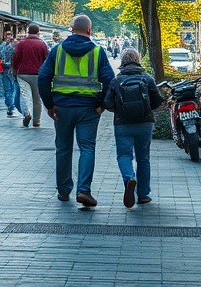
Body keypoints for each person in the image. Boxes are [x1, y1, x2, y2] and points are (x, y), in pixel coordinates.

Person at [38, 14, 115, 207]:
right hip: (88, 109)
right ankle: (84, 190)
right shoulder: (98, 52)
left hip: (62, 107)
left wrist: (49, 104)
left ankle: (64, 191)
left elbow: (43, 77)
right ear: (89, 30)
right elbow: (110, 80)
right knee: (87, 147)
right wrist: (102, 103)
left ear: (71, 29)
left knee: (63, 148)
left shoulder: (58, 50)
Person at [103, 48, 163, 207]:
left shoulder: (117, 80)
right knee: (143, 158)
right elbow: (157, 102)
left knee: (124, 155)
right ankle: (143, 195)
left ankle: (129, 178)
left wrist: (119, 108)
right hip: (145, 124)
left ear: (122, 61)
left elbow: (107, 103)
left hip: (123, 124)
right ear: (138, 60)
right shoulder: (147, 78)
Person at [13, 23, 50, 128]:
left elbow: (15, 59)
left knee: (24, 96)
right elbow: (46, 60)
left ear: (27, 32)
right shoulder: (43, 44)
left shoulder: (21, 44)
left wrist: (15, 70)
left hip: (22, 73)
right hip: (37, 74)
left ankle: (27, 113)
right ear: (38, 32)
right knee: (37, 98)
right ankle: (36, 121)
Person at [0, 31, 20, 117]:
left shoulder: (2, 45)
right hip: (11, 70)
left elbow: (0, 56)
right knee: (11, 89)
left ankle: (10, 105)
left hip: (6, 69)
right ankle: (11, 105)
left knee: (9, 89)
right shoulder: (15, 46)